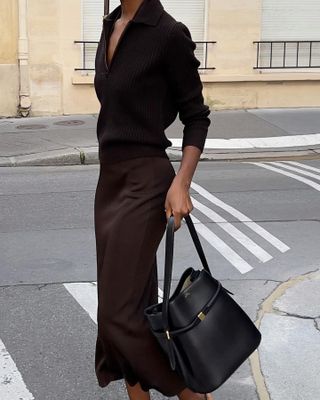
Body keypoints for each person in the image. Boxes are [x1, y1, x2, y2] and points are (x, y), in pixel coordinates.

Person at [93, 0, 213, 399]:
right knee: (135, 308)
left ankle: (191, 392)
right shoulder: (110, 26)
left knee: (117, 318)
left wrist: (183, 181)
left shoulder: (167, 34)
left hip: (146, 182)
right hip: (109, 181)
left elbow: (196, 116)